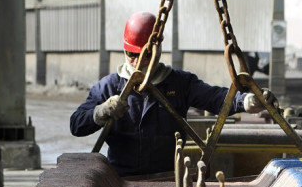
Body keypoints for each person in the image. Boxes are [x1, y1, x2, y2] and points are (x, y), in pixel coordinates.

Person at [70, 11, 276, 177]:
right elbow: (76, 125)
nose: (137, 62)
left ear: (157, 50)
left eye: (145, 55)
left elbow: (216, 98)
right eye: (132, 55)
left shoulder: (180, 83)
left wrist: (248, 101)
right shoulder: (108, 87)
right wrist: (100, 112)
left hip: (169, 178)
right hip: (121, 181)